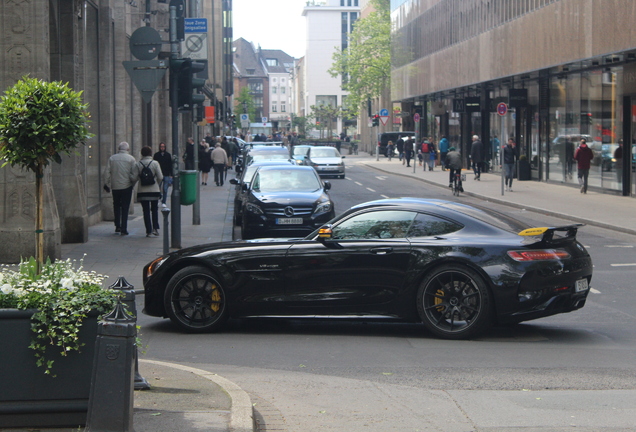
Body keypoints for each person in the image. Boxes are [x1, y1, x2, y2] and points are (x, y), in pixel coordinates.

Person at [103, 142, 137, 236]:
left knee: (116, 205)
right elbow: (134, 175)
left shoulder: (112, 158)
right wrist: (132, 184)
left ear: (118, 148)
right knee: (125, 207)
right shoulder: (131, 159)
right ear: (128, 149)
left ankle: (117, 225)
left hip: (115, 186)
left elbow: (107, 172)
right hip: (127, 186)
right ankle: (124, 228)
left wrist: (107, 184)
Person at [132, 146, 163, 237]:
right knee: (154, 209)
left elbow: (134, 177)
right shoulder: (155, 163)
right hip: (154, 190)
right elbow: (160, 177)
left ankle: (148, 230)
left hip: (142, 190)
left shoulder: (138, 164)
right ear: (151, 153)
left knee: (145, 211)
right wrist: (156, 183)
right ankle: (155, 228)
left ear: (142, 153)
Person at [153, 142, 173, 207]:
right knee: (158, 188)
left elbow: (170, 165)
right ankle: (159, 198)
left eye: (163, 146)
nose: (162, 148)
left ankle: (164, 202)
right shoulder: (156, 155)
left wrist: (171, 174)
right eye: (161, 146)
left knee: (165, 188)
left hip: (166, 174)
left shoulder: (168, 155)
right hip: (159, 174)